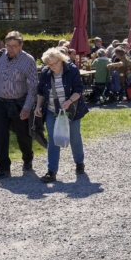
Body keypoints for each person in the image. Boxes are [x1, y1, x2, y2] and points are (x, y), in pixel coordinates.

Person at [0, 31, 39, 179]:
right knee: (0, 135)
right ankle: (3, 168)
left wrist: (27, 108)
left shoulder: (28, 60)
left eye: (14, 46)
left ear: (21, 45)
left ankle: (27, 158)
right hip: (0, 102)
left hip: (19, 103)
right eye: (8, 45)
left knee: (23, 135)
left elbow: (32, 87)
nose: (11, 49)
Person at [34, 48, 87, 182]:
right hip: (52, 109)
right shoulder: (46, 72)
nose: (52, 67)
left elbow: (79, 90)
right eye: (49, 64)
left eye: (55, 63)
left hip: (71, 110)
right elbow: (40, 92)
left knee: (74, 136)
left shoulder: (72, 69)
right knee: (53, 139)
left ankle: (79, 163)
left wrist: (69, 101)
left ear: (61, 60)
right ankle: (51, 171)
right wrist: (38, 106)